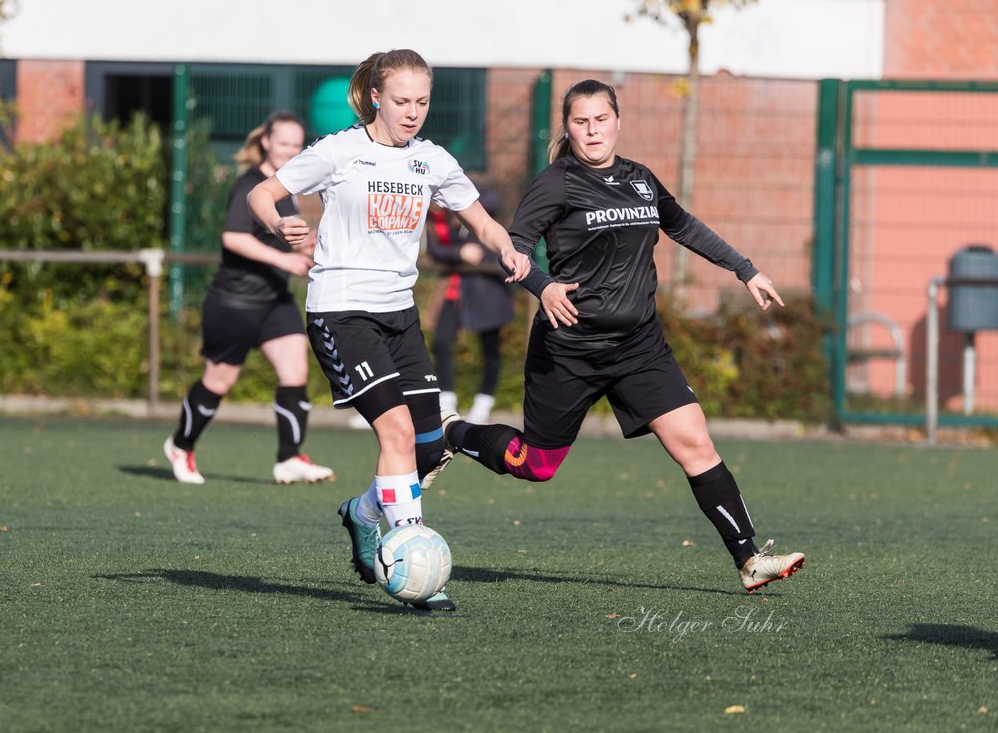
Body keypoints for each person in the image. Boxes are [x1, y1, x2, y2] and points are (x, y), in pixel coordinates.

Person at [439, 78, 806, 594]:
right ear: (568, 128)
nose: (592, 131)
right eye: (580, 122)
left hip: (638, 347)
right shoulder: (556, 182)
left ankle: (749, 560)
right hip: (569, 349)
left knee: (695, 443)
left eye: (601, 120)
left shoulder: (641, 179)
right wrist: (542, 286)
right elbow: (514, 247)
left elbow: (685, 227)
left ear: (617, 121)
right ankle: (452, 434)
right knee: (536, 466)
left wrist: (745, 270)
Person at [247, 49, 531, 611]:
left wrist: (507, 248)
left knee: (426, 449)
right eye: (402, 101)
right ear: (376, 96)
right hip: (341, 310)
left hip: (399, 317)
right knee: (397, 433)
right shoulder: (340, 150)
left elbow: (483, 218)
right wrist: (280, 222)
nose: (413, 113)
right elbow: (263, 193)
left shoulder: (431, 160)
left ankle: (364, 512)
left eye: (422, 102)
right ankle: (415, 564)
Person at [164, 111, 335, 486]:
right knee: (218, 382)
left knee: (295, 373)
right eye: (284, 143)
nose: (291, 151)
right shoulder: (250, 185)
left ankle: (289, 457)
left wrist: (309, 243)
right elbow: (234, 239)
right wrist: (285, 259)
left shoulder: (284, 189)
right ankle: (181, 445)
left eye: (297, 144)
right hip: (235, 302)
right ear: (266, 142)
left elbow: (276, 238)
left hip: (274, 301)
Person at [426, 190, 515, 424]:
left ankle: (483, 403)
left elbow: (492, 211)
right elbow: (437, 250)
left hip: (490, 292)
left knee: (490, 350)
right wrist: (459, 252)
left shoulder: (487, 212)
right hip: (458, 291)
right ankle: (446, 402)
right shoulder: (450, 226)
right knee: (442, 342)